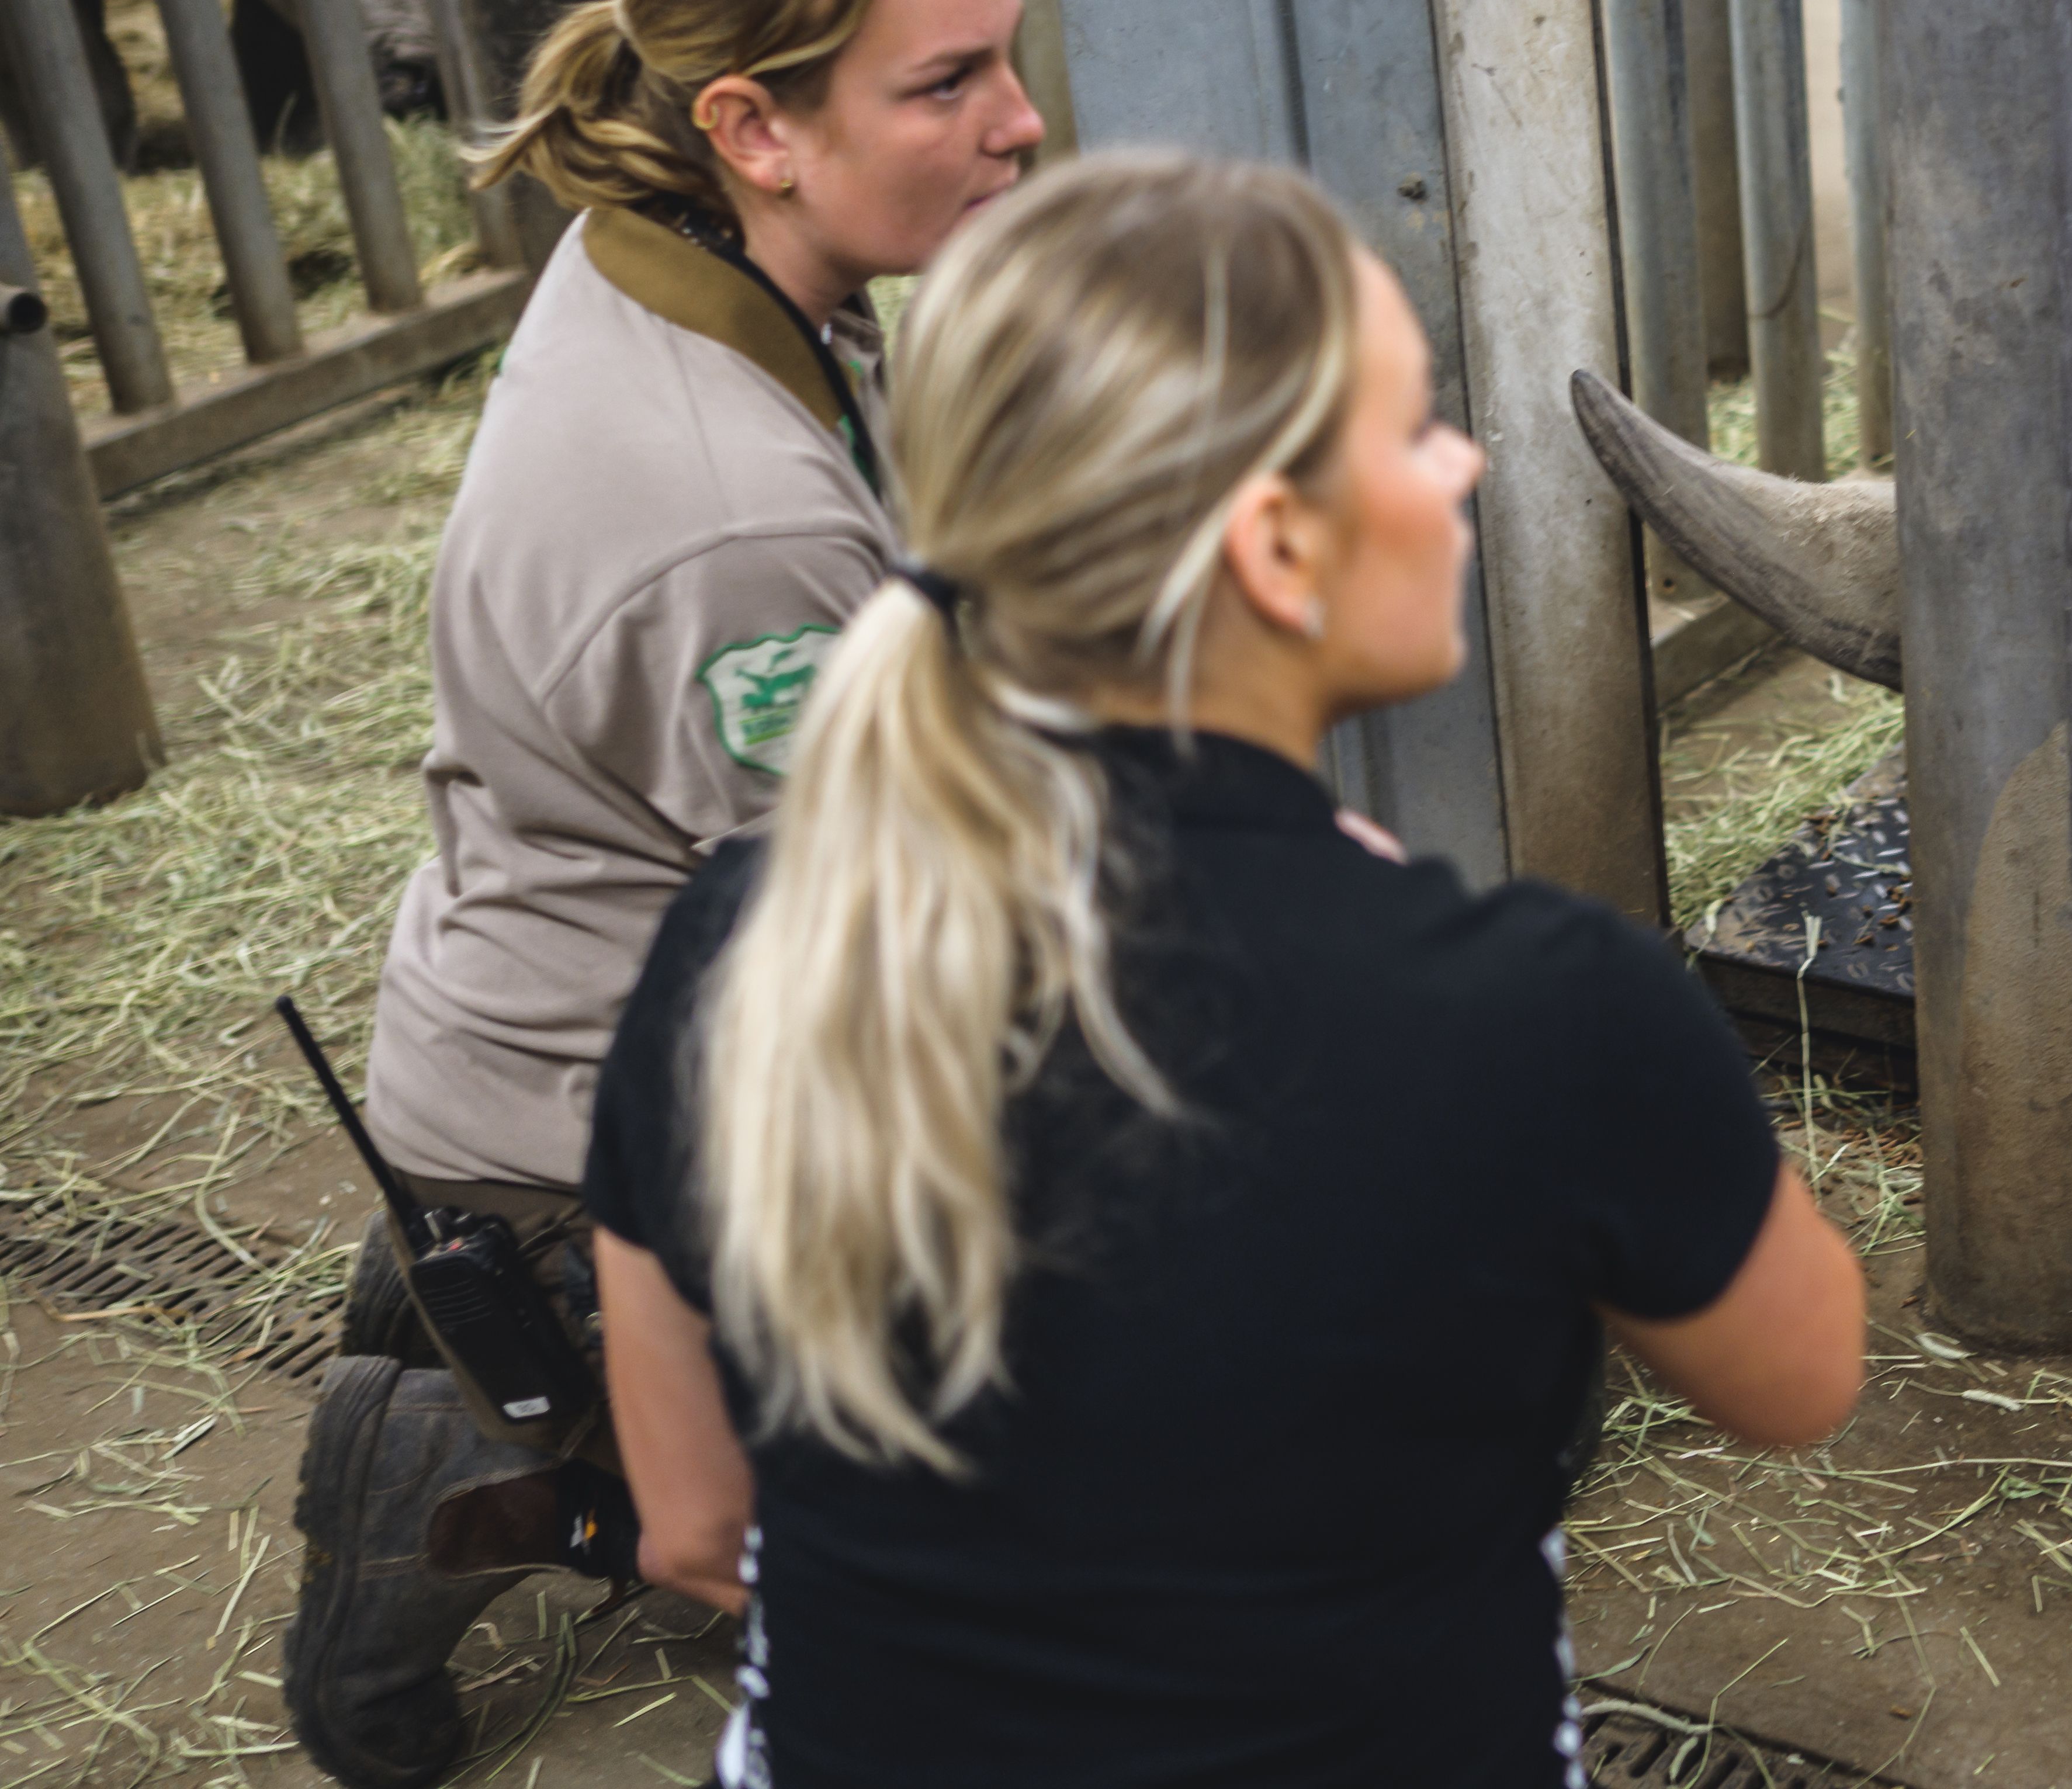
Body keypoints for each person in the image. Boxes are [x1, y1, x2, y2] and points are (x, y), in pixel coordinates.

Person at [579, 151, 1867, 1787]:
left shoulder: (743, 937)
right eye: (1410, 429)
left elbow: (692, 1520)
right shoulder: (1546, 1007)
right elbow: (1804, 1378)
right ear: (1274, 548)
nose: (1459, 465)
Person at [284, 0, 1044, 1789]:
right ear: (754, 122)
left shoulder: (675, 248)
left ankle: (478, 1313)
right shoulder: (731, 527)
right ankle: (476, 1453)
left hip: (539, 992)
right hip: (622, 1119)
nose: (1021, 124)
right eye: (948, 82)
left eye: (1006, 58)